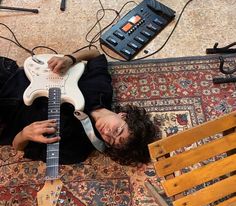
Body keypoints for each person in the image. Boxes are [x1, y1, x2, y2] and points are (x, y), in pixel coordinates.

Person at [0, 49, 157, 165]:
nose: (107, 133)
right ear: (123, 116)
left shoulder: (76, 151)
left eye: (111, 140)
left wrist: (25, 134)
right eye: (118, 130)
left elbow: (18, 146)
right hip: (10, 77)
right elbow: (96, 54)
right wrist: (70, 58)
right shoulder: (102, 90)